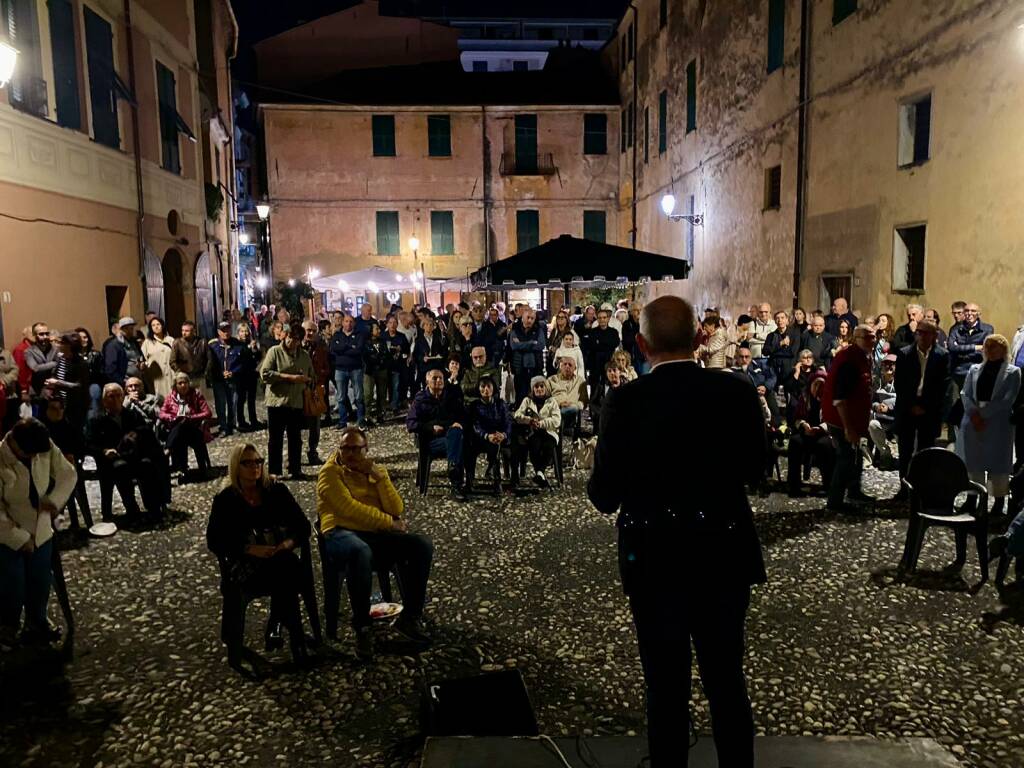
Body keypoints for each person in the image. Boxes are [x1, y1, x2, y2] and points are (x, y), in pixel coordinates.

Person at [587, 295, 766, 768]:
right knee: (726, 680)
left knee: (665, 686)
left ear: (642, 345)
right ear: (699, 338)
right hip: (723, 552)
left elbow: (604, 496)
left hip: (655, 558)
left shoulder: (625, 402)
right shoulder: (737, 391)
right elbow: (757, 470)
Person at [317, 426, 434, 659]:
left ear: (366, 449)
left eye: (356, 449)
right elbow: (348, 509)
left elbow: (396, 508)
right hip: (340, 532)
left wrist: (380, 478)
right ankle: (362, 626)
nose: (350, 454)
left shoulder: (374, 471)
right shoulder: (329, 473)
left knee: (421, 545)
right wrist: (389, 524)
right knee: (360, 551)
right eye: (345, 448)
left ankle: (410, 616)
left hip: (371, 532)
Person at [207, 443, 311, 672]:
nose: (255, 467)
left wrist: (288, 543)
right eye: (248, 463)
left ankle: (286, 629)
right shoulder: (226, 499)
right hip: (245, 566)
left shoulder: (275, 491)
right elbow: (214, 540)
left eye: (258, 462)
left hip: (277, 558)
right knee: (289, 572)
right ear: (236, 466)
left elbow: (303, 526)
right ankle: (293, 635)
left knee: (285, 566)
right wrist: (248, 549)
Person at [0, 418, 77, 647]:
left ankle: (36, 622)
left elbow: (67, 474)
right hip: (8, 530)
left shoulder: (44, 446)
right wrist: (19, 538)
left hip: (41, 526)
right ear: (14, 443)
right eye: (29, 454)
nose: (34, 459)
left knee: (40, 579)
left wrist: (53, 502)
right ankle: (7, 626)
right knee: (12, 582)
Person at [955, 335, 1021, 517]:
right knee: (973, 463)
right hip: (973, 419)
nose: (990, 350)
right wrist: (974, 413)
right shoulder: (974, 369)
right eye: (988, 346)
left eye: (995, 347)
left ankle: (998, 502)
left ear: (1003, 350)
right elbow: (965, 393)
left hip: (998, 421)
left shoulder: (1013, 372)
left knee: (998, 464)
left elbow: (1008, 399)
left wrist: (984, 414)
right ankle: (972, 499)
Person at [86, 383, 170, 520]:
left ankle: (153, 506)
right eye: (111, 396)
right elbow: (89, 444)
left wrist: (136, 435)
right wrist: (104, 451)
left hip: (134, 456)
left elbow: (146, 433)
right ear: (104, 400)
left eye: (118, 396)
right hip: (112, 461)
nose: (115, 400)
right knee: (120, 468)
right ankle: (131, 508)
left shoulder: (131, 415)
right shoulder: (97, 420)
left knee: (147, 464)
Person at [821, 324, 876, 511]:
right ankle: (834, 502)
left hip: (855, 418)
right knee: (845, 458)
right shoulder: (849, 360)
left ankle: (854, 490)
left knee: (856, 454)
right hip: (841, 419)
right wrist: (848, 428)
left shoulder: (862, 357)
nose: (872, 341)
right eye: (868, 337)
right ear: (856, 338)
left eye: (873, 337)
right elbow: (840, 398)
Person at [892, 321, 950, 494]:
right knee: (905, 451)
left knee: (925, 452)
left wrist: (927, 407)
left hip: (929, 410)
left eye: (926, 333)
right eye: (919, 333)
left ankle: (922, 489)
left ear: (934, 336)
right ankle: (904, 488)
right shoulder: (905, 354)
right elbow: (900, 384)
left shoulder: (942, 355)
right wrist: (911, 405)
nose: (922, 336)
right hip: (908, 408)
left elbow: (943, 386)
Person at [259, 323, 314, 481]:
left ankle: (295, 468)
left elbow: (311, 374)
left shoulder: (304, 356)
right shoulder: (274, 352)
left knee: (295, 438)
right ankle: (274, 470)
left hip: (296, 403)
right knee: (275, 439)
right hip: (277, 403)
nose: (293, 342)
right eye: (291, 338)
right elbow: (265, 374)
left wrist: (307, 379)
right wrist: (288, 377)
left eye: (297, 340)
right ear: (285, 336)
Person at [407, 368, 467, 500]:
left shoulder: (450, 397)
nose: (439, 380)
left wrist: (458, 423)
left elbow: (462, 415)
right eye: (435, 378)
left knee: (457, 435)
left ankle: (453, 470)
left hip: (450, 436)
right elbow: (411, 424)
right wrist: (430, 428)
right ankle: (456, 483)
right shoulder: (420, 399)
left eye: (441, 378)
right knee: (457, 443)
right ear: (427, 380)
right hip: (430, 441)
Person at [787, 369, 834, 497]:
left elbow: (833, 420)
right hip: (807, 432)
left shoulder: (830, 398)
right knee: (795, 442)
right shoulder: (805, 397)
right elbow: (796, 418)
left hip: (824, 433)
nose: (818, 388)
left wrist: (821, 428)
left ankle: (828, 485)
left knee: (824, 445)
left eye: (821, 385)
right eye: (816, 385)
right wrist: (803, 425)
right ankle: (794, 485)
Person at [158, 372, 213, 478]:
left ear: (189, 383)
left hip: (195, 430)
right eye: (180, 383)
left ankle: (168, 449)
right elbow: (162, 413)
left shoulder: (196, 395)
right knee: (180, 430)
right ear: (176, 385)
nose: (183, 385)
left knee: (182, 426)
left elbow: (207, 412)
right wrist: (172, 418)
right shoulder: (170, 398)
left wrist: (192, 417)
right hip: (179, 434)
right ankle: (183, 469)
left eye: (185, 382)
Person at [512, 376, 561, 488]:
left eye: (541, 386)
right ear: (532, 389)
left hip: (548, 432)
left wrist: (541, 423)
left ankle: (540, 472)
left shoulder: (552, 401)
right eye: (536, 387)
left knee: (548, 445)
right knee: (534, 445)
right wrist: (529, 420)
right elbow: (517, 415)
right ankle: (540, 474)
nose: (539, 389)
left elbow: (556, 420)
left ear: (545, 387)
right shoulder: (527, 401)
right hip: (533, 432)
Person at [467, 376, 512, 491]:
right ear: (479, 389)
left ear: (493, 389)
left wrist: (503, 434)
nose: (486, 389)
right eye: (483, 386)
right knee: (469, 449)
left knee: (495, 446)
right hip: (479, 438)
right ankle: (470, 480)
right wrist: (487, 436)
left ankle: (497, 481)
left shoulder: (500, 404)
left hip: (497, 437)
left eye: (488, 386)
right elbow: (475, 425)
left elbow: (507, 422)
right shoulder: (474, 406)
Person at [330, 313, 366, 430]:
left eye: (351, 321)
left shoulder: (359, 335)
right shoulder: (337, 335)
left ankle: (361, 420)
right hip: (340, 369)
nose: (348, 323)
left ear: (354, 323)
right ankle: (342, 421)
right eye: (346, 321)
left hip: (356, 369)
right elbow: (334, 349)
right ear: (343, 322)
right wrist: (350, 347)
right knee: (341, 397)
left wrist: (343, 348)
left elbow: (358, 350)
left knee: (359, 396)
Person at [208, 321, 244, 438]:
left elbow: (242, 362)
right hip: (219, 380)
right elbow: (211, 364)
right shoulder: (212, 346)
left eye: (228, 329)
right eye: (223, 330)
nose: (226, 332)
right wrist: (219, 374)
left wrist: (233, 372)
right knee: (221, 404)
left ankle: (232, 425)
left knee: (233, 403)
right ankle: (223, 426)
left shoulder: (238, 344)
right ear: (218, 332)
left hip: (233, 379)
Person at [508, 308, 546, 406]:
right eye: (528, 317)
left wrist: (522, 344)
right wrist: (531, 343)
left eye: (532, 318)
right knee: (520, 396)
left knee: (536, 396)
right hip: (519, 368)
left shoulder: (539, 330)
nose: (530, 320)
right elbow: (514, 346)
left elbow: (541, 345)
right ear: (522, 318)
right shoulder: (515, 329)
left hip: (535, 368)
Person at [867, 355, 898, 470]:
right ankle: (885, 455)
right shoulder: (877, 382)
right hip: (882, 420)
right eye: (886, 364)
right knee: (872, 425)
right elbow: (872, 401)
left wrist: (889, 410)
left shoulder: (903, 382)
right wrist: (877, 406)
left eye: (892, 364)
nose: (888, 366)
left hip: (898, 421)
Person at [170, 321, 210, 397]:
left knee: (201, 400)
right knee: (186, 402)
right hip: (184, 377)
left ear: (193, 331)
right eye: (182, 330)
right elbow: (172, 361)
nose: (184, 333)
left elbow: (209, 359)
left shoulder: (202, 342)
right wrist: (180, 373)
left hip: (199, 376)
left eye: (187, 331)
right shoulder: (177, 343)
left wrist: (205, 373)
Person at [584, 308, 621, 391]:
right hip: (595, 363)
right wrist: (606, 344)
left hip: (609, 362)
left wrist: (599, 343)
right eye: (600, 318)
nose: (602, 320)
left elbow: (615, 344)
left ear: (608, 319)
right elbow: (591, 346)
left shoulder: (613, 332)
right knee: (594, 386)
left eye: (604, 317)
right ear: (597, 319)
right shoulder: (593, 332)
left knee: (609, 385)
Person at [234, 323, 262, 431]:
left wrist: (255, 350)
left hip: (251, 375)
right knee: (241, 399)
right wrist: (248, 349)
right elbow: (239, 357)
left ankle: (253, 420)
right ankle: (240, 421)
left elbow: (258, 358)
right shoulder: (236, 344)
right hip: (241, 375)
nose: (244, 334)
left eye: (246, 331)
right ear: (238, 333)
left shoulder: (252, 343)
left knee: (251, 399)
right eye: (242, 331)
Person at [548, 356, 589, 428]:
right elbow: (545, 399)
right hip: (556, 409)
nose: (567, 366)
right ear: (560, 367)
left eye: (570, 365)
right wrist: (559, 404)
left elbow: (584, 401)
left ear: (575, 368)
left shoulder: (580, 381)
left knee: (573, 410)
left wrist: (574, 405)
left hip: (574, 410)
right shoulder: (551, 380)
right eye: (565, 364)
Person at [140, 317, 175, 398]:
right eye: (153, 325)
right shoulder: (147, 342)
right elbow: (143, 359)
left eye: (158, 324)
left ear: (162, 325)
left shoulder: (170, 340)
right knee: (160, 400)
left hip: (170, 375)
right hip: (156, 377)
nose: (156, 327)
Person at [763, 309, 801, 382]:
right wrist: (780, 344)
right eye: (777, 318)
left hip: (788, 367)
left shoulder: (795, 334)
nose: (780, 320)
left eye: (782, 318)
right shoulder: (771, 335)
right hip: (773, 367)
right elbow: (765, 352)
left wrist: (774, 352)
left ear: (787, 320)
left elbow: (792, 352)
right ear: (775, 321)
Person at [104, 317, 143, 388]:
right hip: (125, 383)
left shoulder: (134, 343)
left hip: (137, 380)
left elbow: (140, 357)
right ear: (120, 329)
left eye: (131, 328)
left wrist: (142, 364)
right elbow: (110, 369)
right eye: (126, 328)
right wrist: (122, 382)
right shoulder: (114, 345)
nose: (129, 331)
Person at [24, 322, 59, 400]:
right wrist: (54, 363)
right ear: (34, 336)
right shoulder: (29, 351)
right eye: (41, 334)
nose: (45, 336)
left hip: (53, 389)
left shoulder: (55, 348)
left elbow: (58, 367)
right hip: (37, 390)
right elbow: (35, 368)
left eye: (47, 333)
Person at [414, 315, 447, 388]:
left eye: (431, 325)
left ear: (434, 326)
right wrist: (422, 358)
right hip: (424, 368)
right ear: (423, 326)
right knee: (426, 387)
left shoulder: (438, 338)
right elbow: (415, 354)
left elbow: (442, 350)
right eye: (426, 325)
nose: (429, 326)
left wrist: (439, 355)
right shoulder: (418, 340)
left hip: (436, 366)